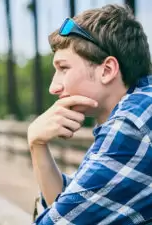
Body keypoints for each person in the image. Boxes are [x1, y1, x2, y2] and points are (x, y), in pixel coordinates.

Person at [28, 4, 152, 224]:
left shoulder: (131, 125)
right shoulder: (139, 106)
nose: (53, 87)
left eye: (63, 68)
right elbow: (76, 203)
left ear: (107, 70)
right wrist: (36, 143)